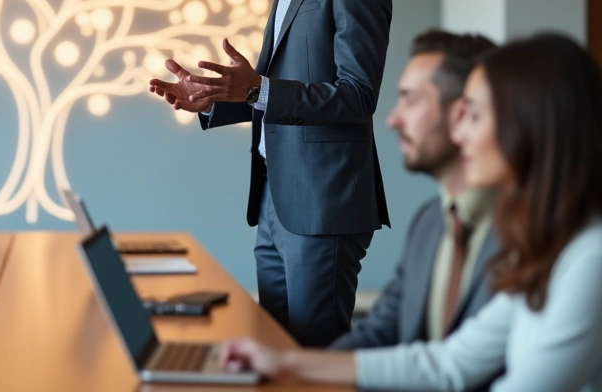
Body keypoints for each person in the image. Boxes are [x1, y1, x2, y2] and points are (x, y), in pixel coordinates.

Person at [220, 33, 602, 392]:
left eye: (477, 116)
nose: (462, 132)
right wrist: (288, 365)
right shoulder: (537, 239)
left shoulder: (586, 255)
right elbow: (449, 363)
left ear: (530, 128)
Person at [148, 0, 393, 347]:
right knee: (280, 355)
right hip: (276, 201)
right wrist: (217, 98)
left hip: (322, 207)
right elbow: (282, 88)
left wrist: (257, 86)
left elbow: (356, 96)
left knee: (313, 359)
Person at [330, 30, 499, 366]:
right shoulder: (430, 221)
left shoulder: (529, 228)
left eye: (410, 100)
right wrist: (291, 371)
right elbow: (378, 334)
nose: (393, 119)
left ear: (462, 113)